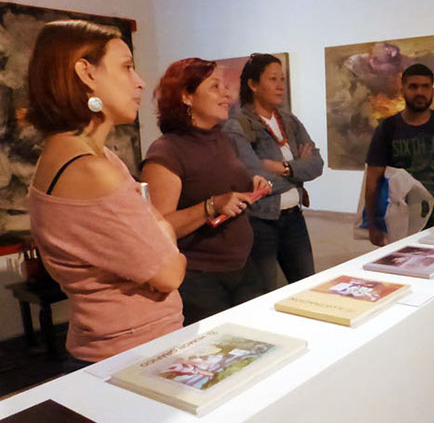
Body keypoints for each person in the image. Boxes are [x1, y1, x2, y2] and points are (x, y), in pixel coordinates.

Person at [26, 20, 186, 371]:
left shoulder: (91, 156)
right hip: (129, 357)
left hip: (122, 348)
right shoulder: (90, 169)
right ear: (87, 73)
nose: (140, 81)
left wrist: (157, 230)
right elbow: (170, 272)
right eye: (126, 67)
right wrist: (162, 231)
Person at [141, 58, 271, 325]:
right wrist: (210, 206)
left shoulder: (224, 139)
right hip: (200, 279)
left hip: (243, 267)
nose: (226, 94)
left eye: (225, 86)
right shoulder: (166, 151)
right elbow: (157, 229)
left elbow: (224, 187)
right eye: (215, 87)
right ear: (186, 96)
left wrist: (252, 186)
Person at [224, 54, 323, 291]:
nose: (280, 86)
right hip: (261, 220)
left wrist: (282, 167)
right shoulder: (237, 125)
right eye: (273, 79)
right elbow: (256, 179)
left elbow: (317, 164)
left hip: (294, 217)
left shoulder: (289, 121)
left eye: (282, 79)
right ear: (253, 84)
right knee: (265, 290)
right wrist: (298, 168)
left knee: (307, 286)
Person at [365, 63, 434, 246]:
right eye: (413, 86)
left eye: (425, 86)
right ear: (403, 89)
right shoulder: (388, 129)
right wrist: (373, 223)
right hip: (399, 222)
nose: (420, 92)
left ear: (432, 89)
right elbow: (372, 179)